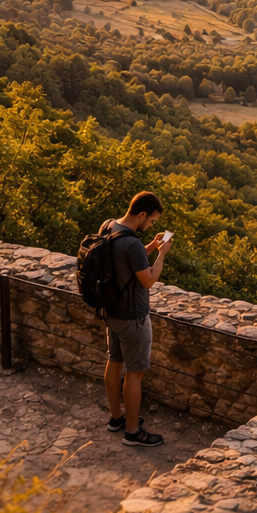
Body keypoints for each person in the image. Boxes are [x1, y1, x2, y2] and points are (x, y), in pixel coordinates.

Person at [101, 191, 172, 446]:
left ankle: (116, 418)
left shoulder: (110, 227)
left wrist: (151, 246)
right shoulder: (131, 243)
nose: (151, 224)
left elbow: (126, 259)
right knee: (135, 374)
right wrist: (162, 254)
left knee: (114, 360)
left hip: (112, 312)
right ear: (142, 214)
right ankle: (133, 432)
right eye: (151, 221)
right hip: (133, 317)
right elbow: (149, 279)